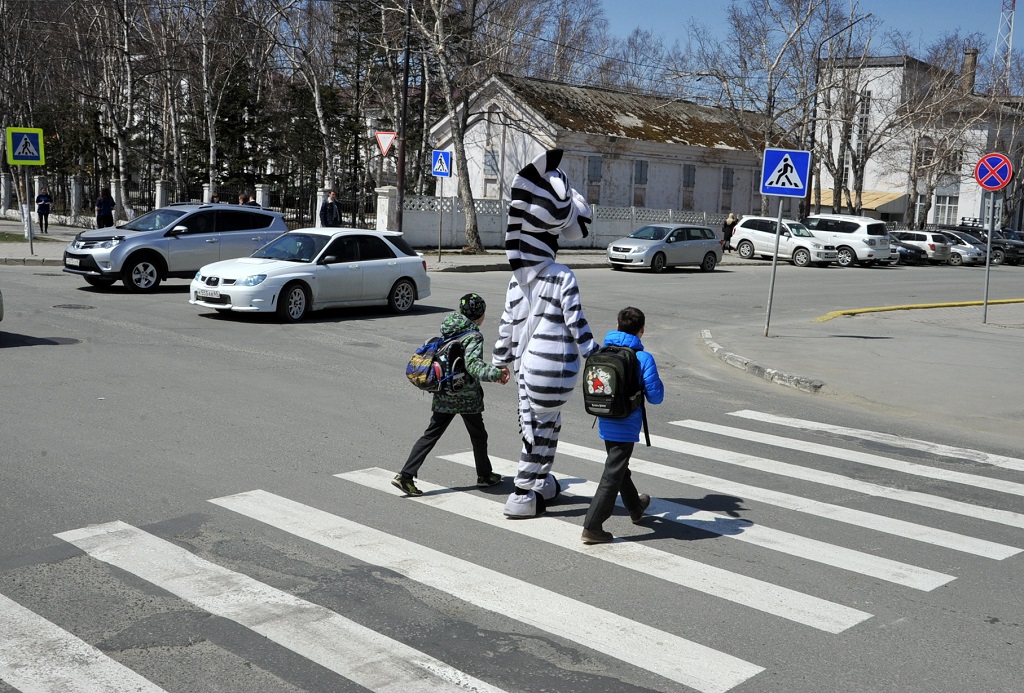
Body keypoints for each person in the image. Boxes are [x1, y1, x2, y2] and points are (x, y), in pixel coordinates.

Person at [493, 149, 600, 519]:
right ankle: (522, 493)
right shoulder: (561, 275)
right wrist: (595, 352)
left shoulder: (517, 277)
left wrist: (499, 361)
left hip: (526, 367)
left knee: (539, 424)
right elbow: (576, 323)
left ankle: (540, 482)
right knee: (540, 428)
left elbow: (508, 322)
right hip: (551, 368)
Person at [393, 293, 511, 496]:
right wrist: (497, 374)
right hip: (465, 397)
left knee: (431, 435)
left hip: (444, 392)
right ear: (479, 315)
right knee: (479, 435)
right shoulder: (473, 335)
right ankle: (484, 476)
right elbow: (473, 367)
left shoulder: (450, 329)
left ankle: (406, 475)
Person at [581, 306, 665, 544]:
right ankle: (592, 526)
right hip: (627, 424)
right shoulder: (643, 358)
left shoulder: (602, 350)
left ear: (617, 326)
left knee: (618, 468)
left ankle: (636, 507)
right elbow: (656, 397)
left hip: (604, 418)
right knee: (612, 474)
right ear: (642, 331)